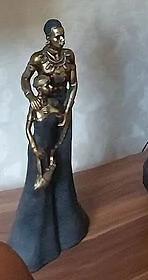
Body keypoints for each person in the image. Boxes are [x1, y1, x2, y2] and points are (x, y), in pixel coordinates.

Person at [8, 20, 89, 272]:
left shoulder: (68, 56)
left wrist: (68, 109)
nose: (62, 40)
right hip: (43, 110)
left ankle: (67, 218)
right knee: (41, 160)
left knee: (62, 157)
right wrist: (31, 96)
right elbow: (25, 79)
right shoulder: (38, 59)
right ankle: (37, 233)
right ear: (47, 38)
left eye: (63, 35)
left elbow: (74, 84)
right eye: (57, 37)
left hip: (63, 109)